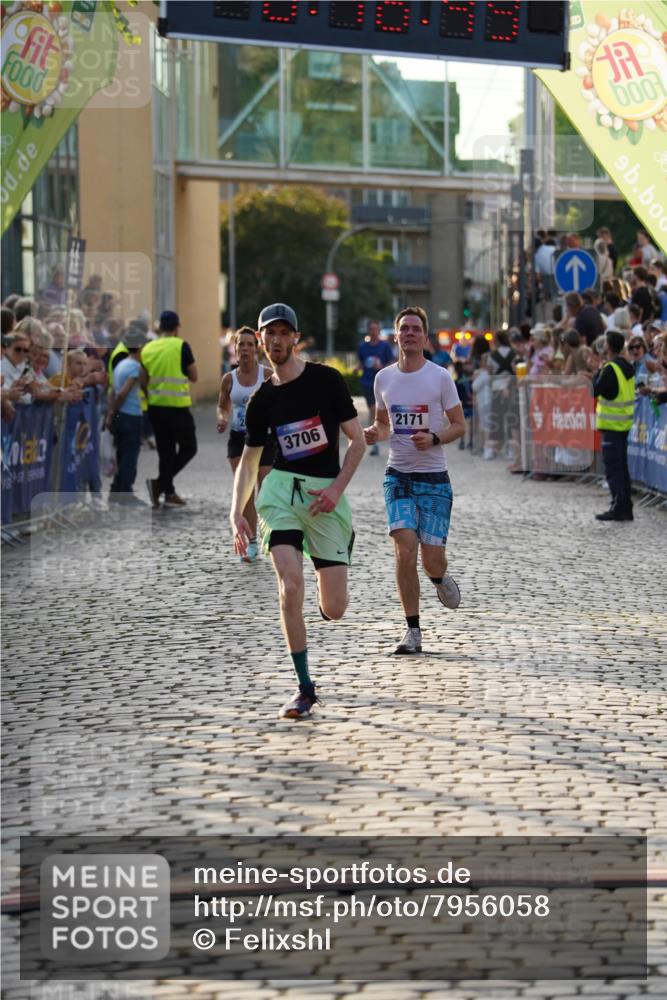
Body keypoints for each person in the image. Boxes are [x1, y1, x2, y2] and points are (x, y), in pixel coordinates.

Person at [230, 303, 364, 720]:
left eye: (283, 333)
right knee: (290, 585)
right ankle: (304, 687)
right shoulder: (261, 400)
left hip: (326, 496)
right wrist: (237, 512)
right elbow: (250, 463)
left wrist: (337, 491)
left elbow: (357, 442)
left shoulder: (326, 380)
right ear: (262, 339)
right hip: (281, 495)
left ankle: (331, 572)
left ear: (295, 338)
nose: (275, 341)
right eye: (269, 334)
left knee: (336, 608)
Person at [364, 306, 465, 655]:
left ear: (424, 336)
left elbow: (459, 424)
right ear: (396, 336)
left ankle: (438, 577)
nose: (409, 333)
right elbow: (382, 423)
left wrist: (435, 438)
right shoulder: (384, 379)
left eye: (415, 329)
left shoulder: (439, 377)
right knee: (404, 549)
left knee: (430, 558)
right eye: (403, 328)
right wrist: (373, 432)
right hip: (398, 476)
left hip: (434, 478)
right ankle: (413, 630)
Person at [217, 326, 273, 563]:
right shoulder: (229, 379)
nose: (246, 348)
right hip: (239, 438)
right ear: (236, 348)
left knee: (266, 492)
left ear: (256, 349)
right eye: (242, 344)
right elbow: (222, 405)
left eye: (250, 344)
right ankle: (251, 543)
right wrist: (222, 417)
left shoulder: (268, 375)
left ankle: (271, 537)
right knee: (246, 493)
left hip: (266, 439)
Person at [141, 310, 198, 509]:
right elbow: (194, 375)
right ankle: (160, 485)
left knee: (165, 452)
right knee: (189, 448)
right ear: (176, 327)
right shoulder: (181, 345)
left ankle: (167, 491)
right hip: (178, 409)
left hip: (156, 408)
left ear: (160, 328)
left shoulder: (148, 348)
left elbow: (142, 379)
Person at [593, 330, 635, 522]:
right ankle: (625, 505)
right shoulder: (627, 367)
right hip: (623, 424)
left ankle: (619, 506)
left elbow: (595, 390)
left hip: (612, 425)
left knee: (613, 468)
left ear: (608, 347)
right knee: (622, 467)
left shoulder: (611, 369)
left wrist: (597, 371)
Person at [105, 326, 148, 505]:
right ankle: (125, 493)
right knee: (129, 456)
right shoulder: (134, 367)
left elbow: (112, 391)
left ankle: (116, 491)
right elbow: (122, 393)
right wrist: (114, 411)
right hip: (130, 415)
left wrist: (111, 413)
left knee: (122, 454)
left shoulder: (121, 364)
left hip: (121, 415)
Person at [357, 319, 393, 456]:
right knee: (373, 410)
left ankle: (377, 437)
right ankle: (374, 442)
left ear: (379, 330)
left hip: (383, 383)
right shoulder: (362, 346)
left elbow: (392, 362)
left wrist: (382, 367)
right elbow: (361, 362)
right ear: (368, 330)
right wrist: (357, 368)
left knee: (380, 411)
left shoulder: (385, 347)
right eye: (371, 329)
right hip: (367, 382)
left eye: (376, 329)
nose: (373, 332)